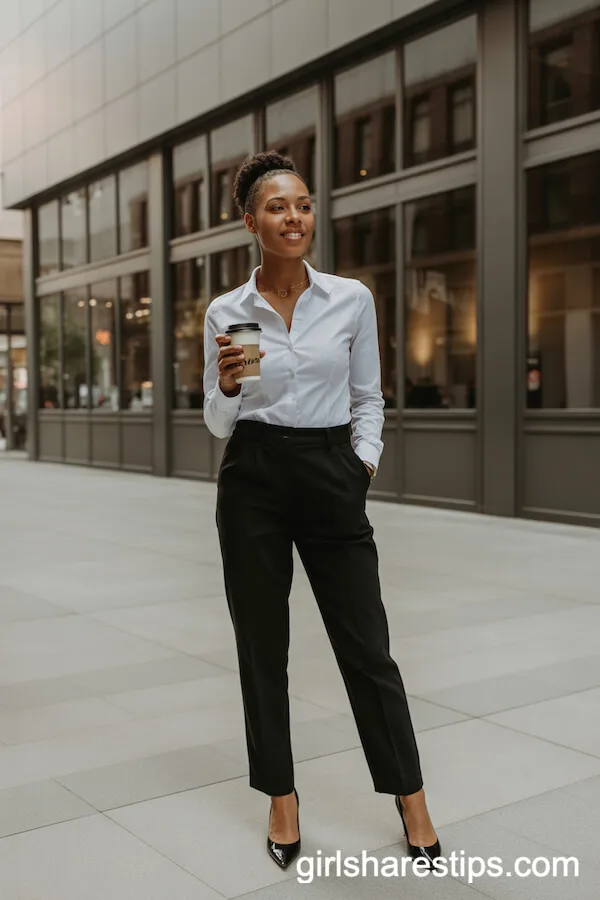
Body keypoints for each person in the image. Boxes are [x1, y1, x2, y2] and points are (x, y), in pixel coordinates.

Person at [203, 151, 441, 871]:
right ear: (252, 223)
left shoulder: (351, 299)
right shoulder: (228, 311)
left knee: (367, 649)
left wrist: (359, 465)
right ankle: (281, 795)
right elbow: (220, 423)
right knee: (261, 651)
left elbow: (370, 397)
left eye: (303, 204)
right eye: (278, 207)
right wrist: (224, 383)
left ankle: (411, 796)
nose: (294, 217)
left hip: (332, 471)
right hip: (253, 477)